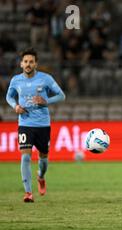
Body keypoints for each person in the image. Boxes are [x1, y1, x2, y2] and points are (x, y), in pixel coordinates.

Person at [5, 48, 66, 202]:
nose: (28, 64)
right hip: (25, 123)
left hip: (43, 125)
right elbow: (9, 96)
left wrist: (46, 102)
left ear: (36, 64)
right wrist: (15, 107)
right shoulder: (16, 80)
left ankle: (41, 176)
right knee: (25, 157)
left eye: (31, 61)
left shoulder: (45, 78)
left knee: (43, 158)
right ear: (21, 64)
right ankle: (28, 193)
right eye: (25, 61)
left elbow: (61, 95)